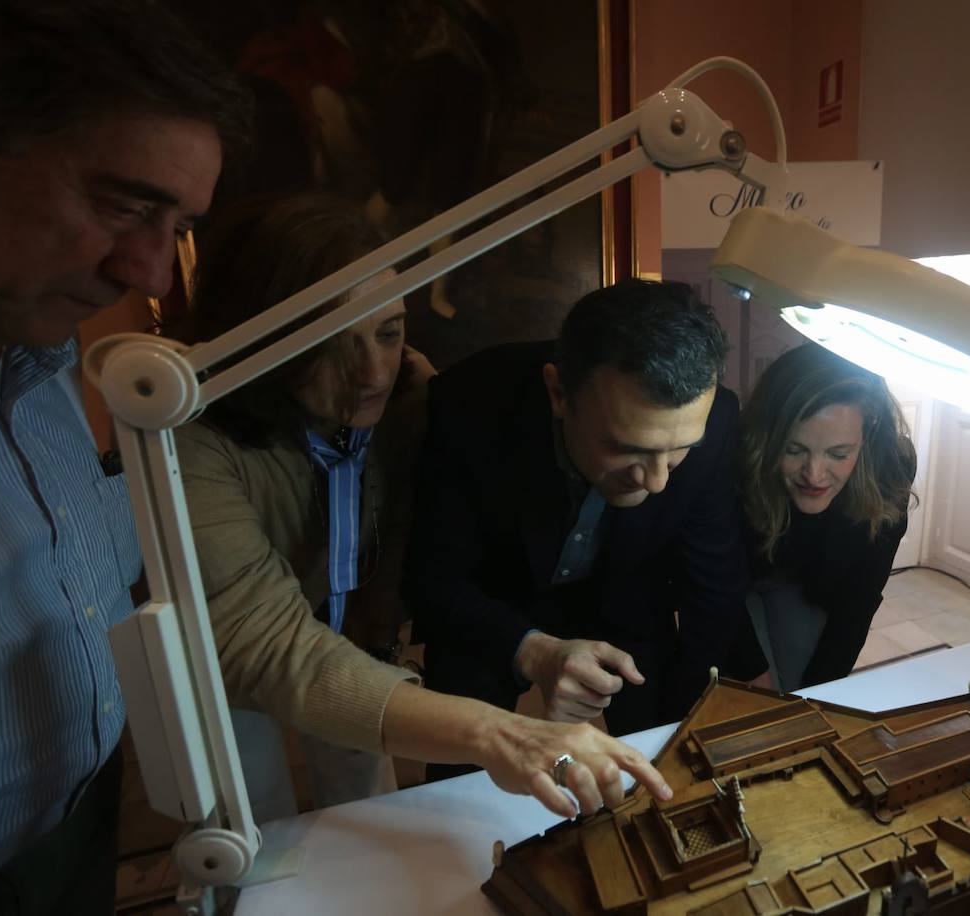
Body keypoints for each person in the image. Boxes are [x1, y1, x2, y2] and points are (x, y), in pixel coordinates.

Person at [175, 194, 671, 822]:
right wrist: (499, 734)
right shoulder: (195, 437)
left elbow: (416, 542)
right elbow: (266, 645)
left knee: (365, 803)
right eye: (333, 344)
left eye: (388, 333)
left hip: (354, 642)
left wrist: (381, 636)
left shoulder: (417, 402)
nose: (372, 373)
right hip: (227, 659)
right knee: (252, 816)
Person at [0, 1, 248, 910]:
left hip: (72, 841)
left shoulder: (45, 361)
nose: (152, 274)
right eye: (125, 206)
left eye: (178, 227)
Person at [407, 278, 754, 741]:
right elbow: (434, 579)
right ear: (559, 393)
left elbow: (714, 581)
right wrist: (533, 650)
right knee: (463, 762)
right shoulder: (470, 402)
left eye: (680, 450)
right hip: (491, 601)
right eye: (627, 447)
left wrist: (686, 726)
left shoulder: (718, 415)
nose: (657, 482)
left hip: (627, 595)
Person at [738, 343, 917, 692]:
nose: (814, 474)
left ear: (867, 434)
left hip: (807, 582)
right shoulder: (738, 453)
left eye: (838, 454)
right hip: (735, 577)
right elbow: (717, 582)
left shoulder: (891, 467)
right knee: (741, 689)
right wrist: (753, 674)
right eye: (794, 449)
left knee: (801, 688)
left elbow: (859, 598)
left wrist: (817, 698)